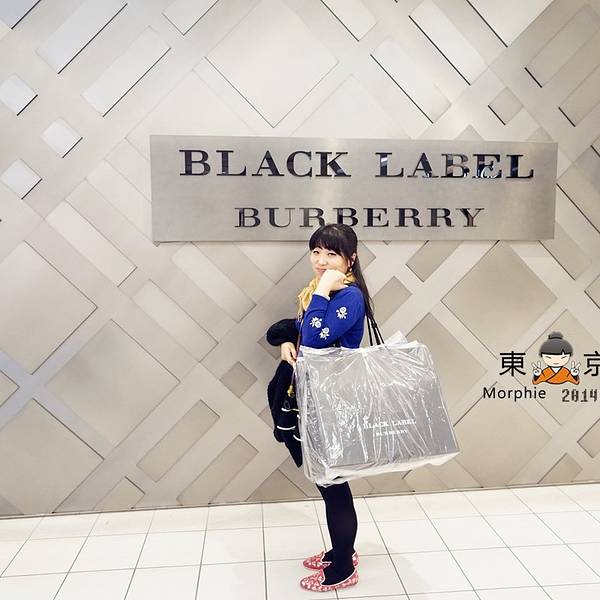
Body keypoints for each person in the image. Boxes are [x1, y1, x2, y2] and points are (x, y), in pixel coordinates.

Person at [279, 223, 376, 592]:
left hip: (333, 404)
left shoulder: (348, 296)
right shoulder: (320, 293)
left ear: (350, 259)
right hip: (318, 399)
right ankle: (341, 551)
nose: (320, 261)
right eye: (316, 252)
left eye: (331, 254)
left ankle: (343, 567)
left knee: (333, 485)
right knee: (328, 482)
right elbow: (303, 332)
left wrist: (321, 290)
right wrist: (286, 343)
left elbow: (317, 338)